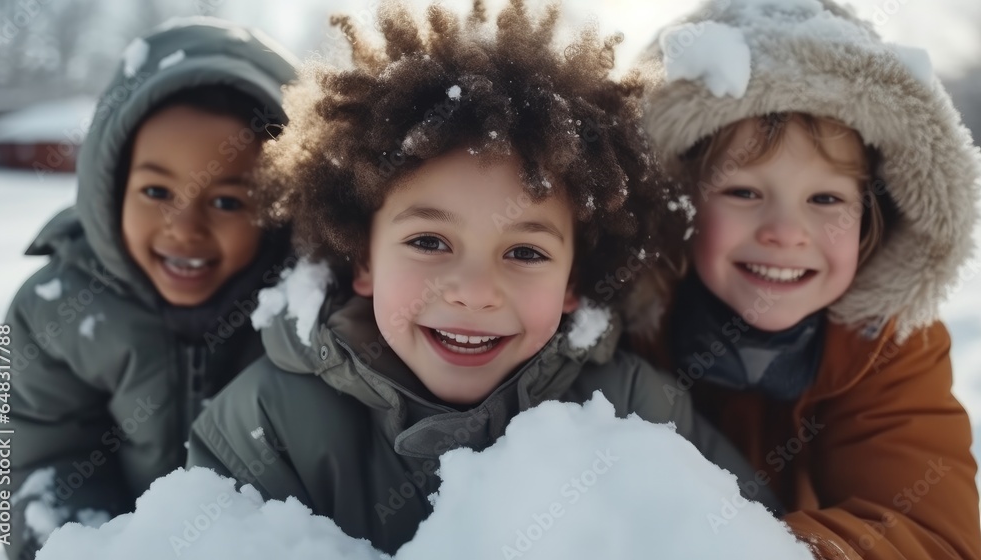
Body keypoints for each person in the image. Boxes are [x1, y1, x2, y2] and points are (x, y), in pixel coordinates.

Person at [186, 0, 780, 554]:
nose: (473, 291)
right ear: (363, 260)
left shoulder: (634, 408)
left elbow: (753, 540)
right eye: (428, 242)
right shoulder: (266, 424)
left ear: (576, 277)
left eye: (524, 253)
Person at [626, 1, 981, 558]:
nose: (786, 232)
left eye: (826, 199)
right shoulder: (620, 328)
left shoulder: (885, 345)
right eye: (743, 191)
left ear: (871, 218)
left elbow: (933, 537)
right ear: (676, 203)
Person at [0, 19, 297, 560]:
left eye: (227, 201)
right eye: (156, 190)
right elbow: (28, 463)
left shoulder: (306, 308)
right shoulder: (48, 312)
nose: (183, 228)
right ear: (110, 186)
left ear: (279, 209)